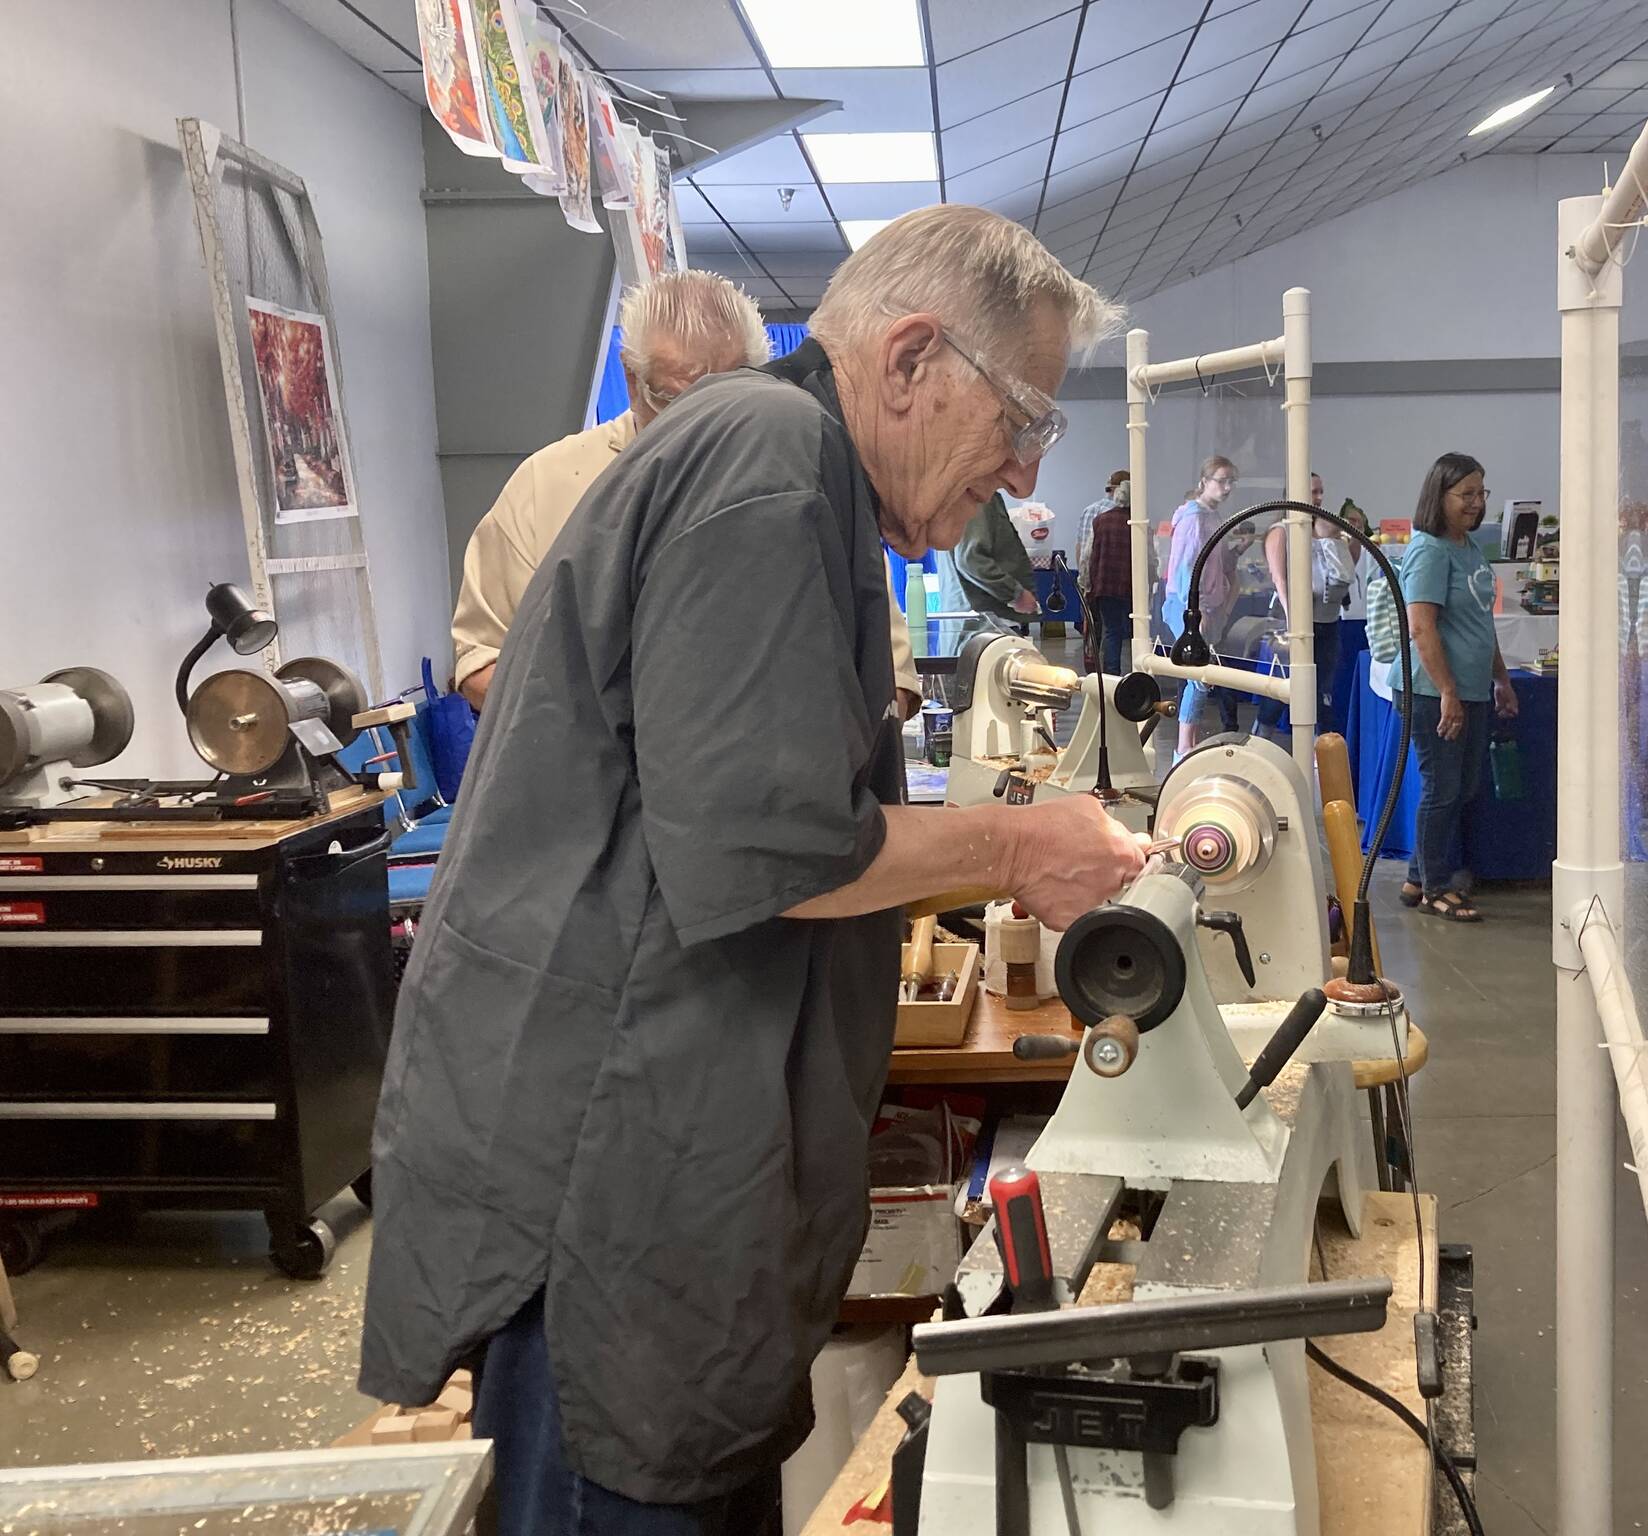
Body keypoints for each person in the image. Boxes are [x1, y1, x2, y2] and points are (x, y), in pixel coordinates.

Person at [357, 204, 1147, 1536]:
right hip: (616, 1171)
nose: (1020, 473)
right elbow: (767, 848)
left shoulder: (799, 475)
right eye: (1021, 418)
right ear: (906, 360)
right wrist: (1018, 842)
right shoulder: (769, 463)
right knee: (626, 1489)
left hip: (662, 1144)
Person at [447, 272, 921, 724]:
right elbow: (481, 667)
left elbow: (892, 684)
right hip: (596, 801)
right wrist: (624, 733)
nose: (702, 426)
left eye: (728, 399)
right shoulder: (549, 485)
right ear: (631, 379)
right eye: (673, 401)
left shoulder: (814, 484)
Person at [1398, 452, 1518, 921]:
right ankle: (1434, 887)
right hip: (1433, 692)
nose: (1475, 503)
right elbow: (1422, 628)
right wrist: (1447, 690)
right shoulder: (1428, 550)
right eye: (1465, 494)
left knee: (1463, 786)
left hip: (1469, 688)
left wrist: (1501, 678)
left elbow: (1479, 623)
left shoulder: (1468, 548)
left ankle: (1416, 876)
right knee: (1442, 788)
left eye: (1480, 493)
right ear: (1440, 495)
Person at [1263, 471, 1360, 729]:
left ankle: (1321, 756)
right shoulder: (1281, 532)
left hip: (1328, 620)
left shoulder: (1327, 531)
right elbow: (1279, 578)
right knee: (1285, 687)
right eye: (1312, 492)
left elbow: (1345, 570)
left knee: (1322, 691)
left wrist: (1352, 538)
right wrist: (1293, 618)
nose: (1318, 498)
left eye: (1320, 491)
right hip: (1296, 623)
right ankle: (1261, 742)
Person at [1165, 455, 1240, 756]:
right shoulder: (1194, 519)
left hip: (1204, 606)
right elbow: (1187, 568)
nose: (1227, 487)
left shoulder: (1210, 516)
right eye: (1222, 480)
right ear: (1204, 482)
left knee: (1199, 678)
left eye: (1231, 481)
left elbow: (1210, 564)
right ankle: (1184, 746)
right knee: (1198, 677)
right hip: (1192, 608)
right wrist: (1193, 612)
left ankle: (1187, 743)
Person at [929, 491, 1040, 655]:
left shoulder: (954, 494)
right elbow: (971, 559)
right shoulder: (977, 495)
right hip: (986, 625)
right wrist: (1015, 594)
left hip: (970, 625)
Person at [1075, 469, 1130, 670]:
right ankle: (1119, 674)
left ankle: (1096, 672)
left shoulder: (1094, 513)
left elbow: (1083, 551)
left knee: (1097, 629)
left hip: (1101, 582)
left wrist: (1085, 582)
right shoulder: (1136, 519)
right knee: (1119, 631)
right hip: (1127, 583)